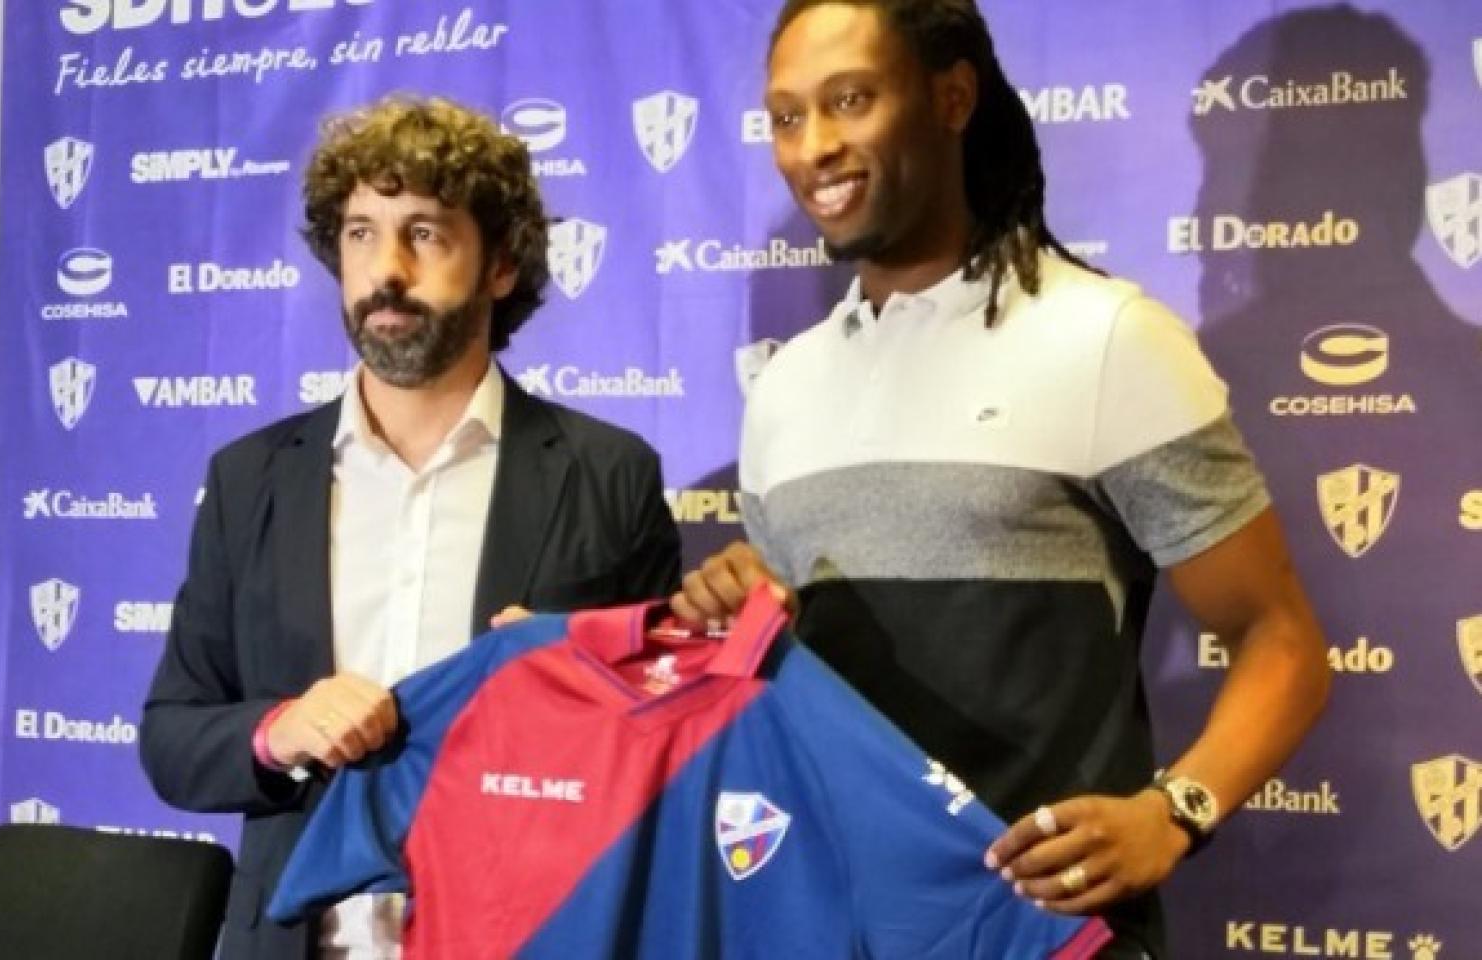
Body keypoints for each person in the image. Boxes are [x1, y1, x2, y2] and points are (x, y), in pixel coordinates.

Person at [673, 1, 1331, 955]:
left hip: (1049, 932)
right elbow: (797, 686)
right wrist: (743, 611)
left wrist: (1175, 809)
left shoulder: (1108, 338)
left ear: (952, 96)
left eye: (850, 100)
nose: (813, 145)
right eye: (786, 115)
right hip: (829, 924)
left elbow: (1282, 643)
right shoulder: (785, 385)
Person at [140, 96, 683, 960]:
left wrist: (567, 690)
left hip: (532, 935)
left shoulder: (609, 475)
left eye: (425, 232)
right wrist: (278, 730)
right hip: (290, 939)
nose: (385, 269)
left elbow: (668, 749)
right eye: (360, 233)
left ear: (501, 264)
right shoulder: (249, 481)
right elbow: (170, 738)